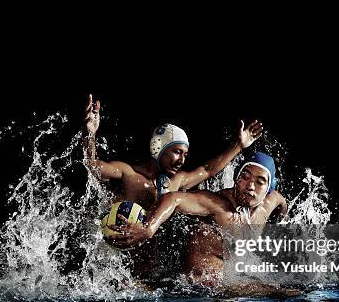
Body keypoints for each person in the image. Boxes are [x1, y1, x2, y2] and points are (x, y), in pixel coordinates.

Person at [110, 152, 288, 287]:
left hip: (229, 283)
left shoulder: (268, 203)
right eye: (245, 176)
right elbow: (173, 198)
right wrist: (149, 227)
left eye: (259, 181)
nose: (250, 185)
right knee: (280, 292)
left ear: (268, 189)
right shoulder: (218, 205)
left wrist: (280, 222)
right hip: (197, 286)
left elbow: (282, 203)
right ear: (236, 178)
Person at [83, 94, 263, 210]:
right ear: (159, 147)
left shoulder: (175, 182)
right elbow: (92, 166)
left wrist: (239, 146)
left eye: (185, 155)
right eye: (177, 152)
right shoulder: (127, 173)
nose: (182, 160)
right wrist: (90, 134)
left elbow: (207, 170)